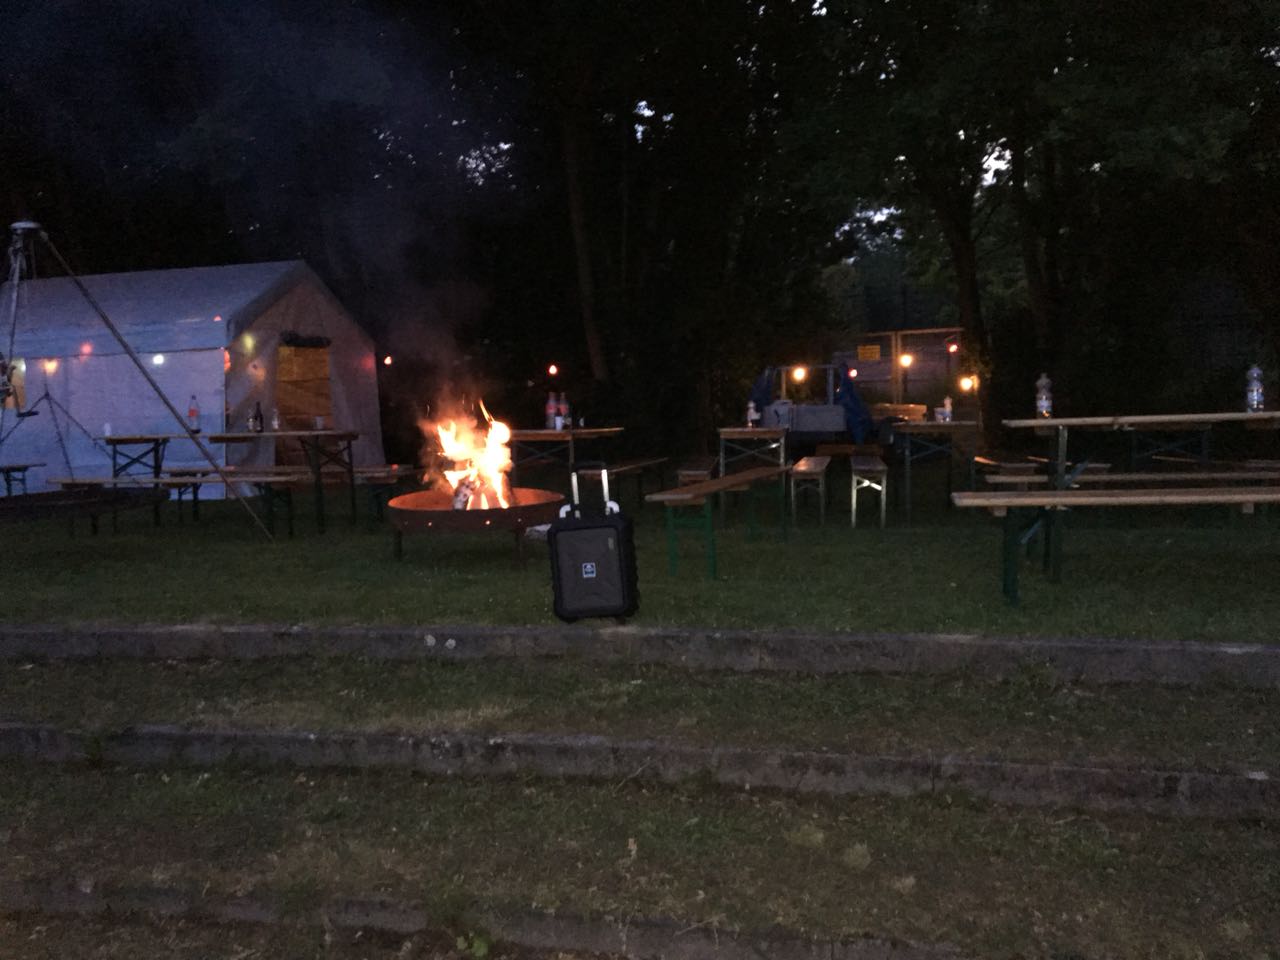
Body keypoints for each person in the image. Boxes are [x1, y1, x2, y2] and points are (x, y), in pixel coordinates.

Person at [835, 369, 873, 444]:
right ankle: (860, 443)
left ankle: (860, 442)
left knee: (858, 425)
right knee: (857, 426)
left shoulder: (847, 389)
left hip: (854, 415)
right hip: (853, 415)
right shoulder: (847, 390)